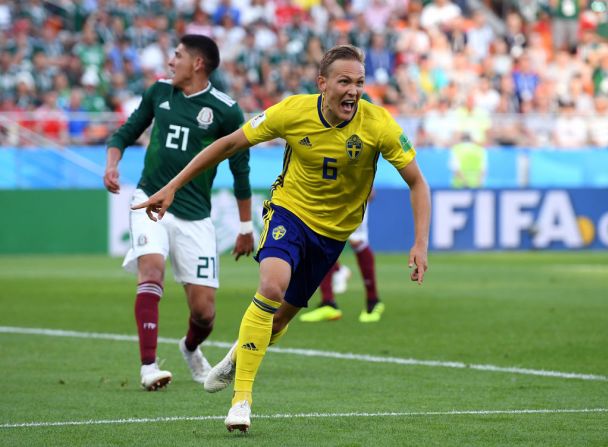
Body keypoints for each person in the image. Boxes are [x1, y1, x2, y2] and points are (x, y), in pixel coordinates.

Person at [133, 45, 430, 431]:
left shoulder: (379, 125)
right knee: (271, 288)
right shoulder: (292, 112)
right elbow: (228, 144)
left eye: (359, 82)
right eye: (344, 82)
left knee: (277, 322)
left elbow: (417, 182)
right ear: (322, 84)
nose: (354, 91)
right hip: (288, 212)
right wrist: (172, 186)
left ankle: (239, 354)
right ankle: (241, 401)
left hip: (333, 235)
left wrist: (420, 243)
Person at [103, 34, 254, 392]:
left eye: (178, 55)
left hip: (196, 216)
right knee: (151, 269)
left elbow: (240, 171)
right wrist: (112, 163)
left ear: (198, 64)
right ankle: (148, 366)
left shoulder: (225, 110)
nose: (171, 61)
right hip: (150, 201)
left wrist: (246, 226)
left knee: (205, 313)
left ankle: (189, 348)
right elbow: (125, 132)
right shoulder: (159, 93)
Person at [299, 195, 384, 323]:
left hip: (355, 193)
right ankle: (328, 302)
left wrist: (366, 191)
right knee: (323, 240)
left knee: (357, 241)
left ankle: (373, 301)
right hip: (332, 192)